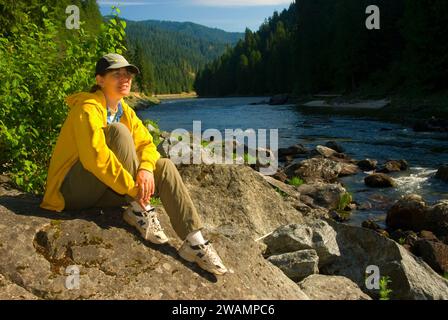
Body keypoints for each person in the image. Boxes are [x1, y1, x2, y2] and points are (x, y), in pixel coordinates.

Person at [40, 53, 227, 275]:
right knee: (119, 133)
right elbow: (95, 158)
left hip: (104, 190)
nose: (125, 78)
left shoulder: (124, 111)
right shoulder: (87, 108)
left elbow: (147, 144)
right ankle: (140, 207)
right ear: (100, 80)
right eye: (116, 74)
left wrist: (146, 168)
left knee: (164, 165)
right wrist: (135, 190)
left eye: (128, 74)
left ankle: (194, 242)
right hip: (71, 192)